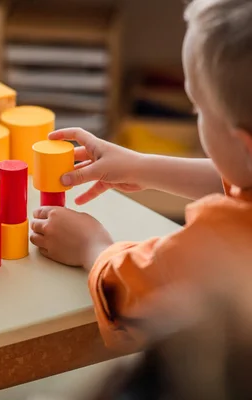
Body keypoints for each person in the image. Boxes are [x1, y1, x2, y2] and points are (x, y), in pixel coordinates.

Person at [29, 0, 252, 353]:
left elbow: (138, 289)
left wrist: (91, 246)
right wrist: (141, 166)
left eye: (198, 109)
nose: (197, 116)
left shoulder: (220, 244)